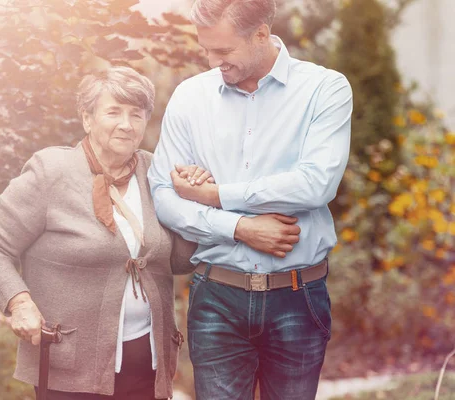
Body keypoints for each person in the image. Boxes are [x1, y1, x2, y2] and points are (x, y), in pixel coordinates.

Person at [147, 0, 353, 399]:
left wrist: (215, 195)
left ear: (261, 33)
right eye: (206, 49)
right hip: (216, 297)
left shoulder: (324, 89)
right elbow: (164, 195)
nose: (212, 61)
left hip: (298, 296)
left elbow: (315, 184)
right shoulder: (190, 97)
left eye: (223, 51)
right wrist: (240, 228)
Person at [0, 66, 205, 400]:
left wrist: (195, 201)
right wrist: (19, 303)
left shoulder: (156, 173)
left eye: (136, 115)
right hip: (70, 369)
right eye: (114, 112)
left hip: (148, 367)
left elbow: (180, 261)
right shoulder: (52, 171)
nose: (126, 124)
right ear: (87, 119)